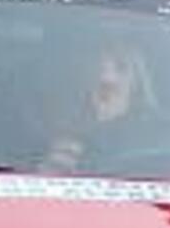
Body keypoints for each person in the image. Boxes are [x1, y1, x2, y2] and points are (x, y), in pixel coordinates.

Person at [35, 38, 152, 175]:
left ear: (137, 81)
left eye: (121, 68)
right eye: (98, 68)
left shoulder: (156, 134)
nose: (107, 78)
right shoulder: (55, 127)